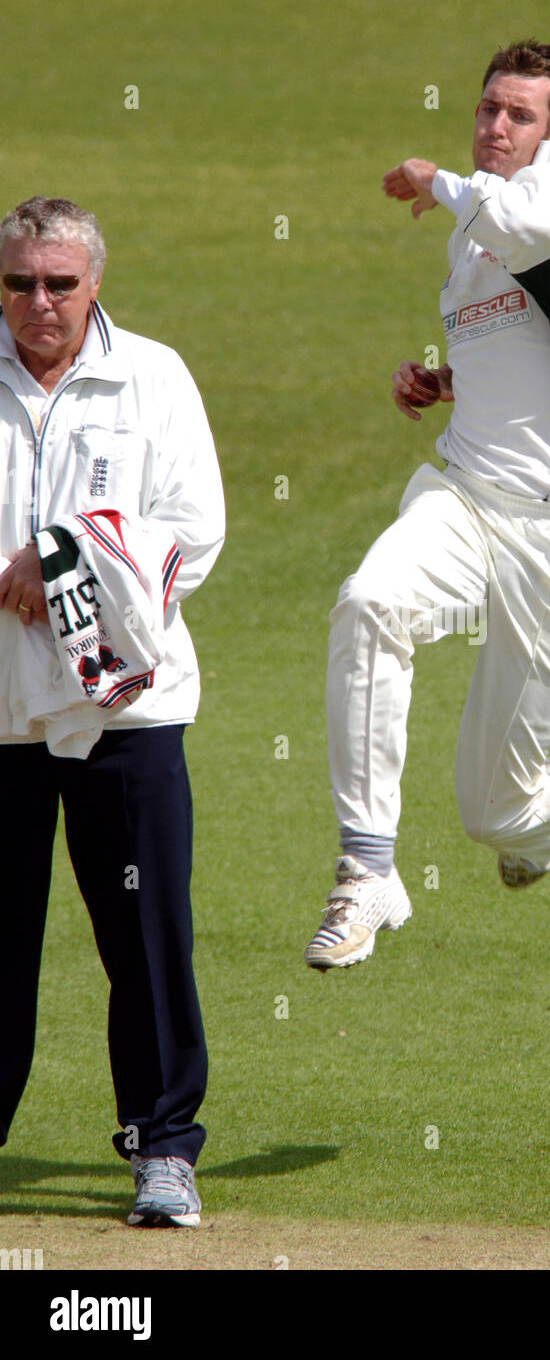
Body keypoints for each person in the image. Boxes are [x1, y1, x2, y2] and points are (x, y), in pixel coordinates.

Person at [304, 40, 550, 972]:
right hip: (466, 493)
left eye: (521, 115)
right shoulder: (474, 229)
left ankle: (544, 815)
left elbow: (518, 217)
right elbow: (533, 350)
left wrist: (439, 176)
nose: (496, 128)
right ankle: (367, 866)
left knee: (490, 810)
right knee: (370, 601)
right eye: (488, 109)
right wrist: (446, 380)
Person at [0, 197, 224, 1225]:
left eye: (59, 283)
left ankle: (164, 1150)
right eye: (18, 283)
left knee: (143, 939)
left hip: (124, 714)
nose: (38, 304)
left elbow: (193, 529)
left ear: (95, 283)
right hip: (1, 711)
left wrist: (63, 567)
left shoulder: (153, 376)